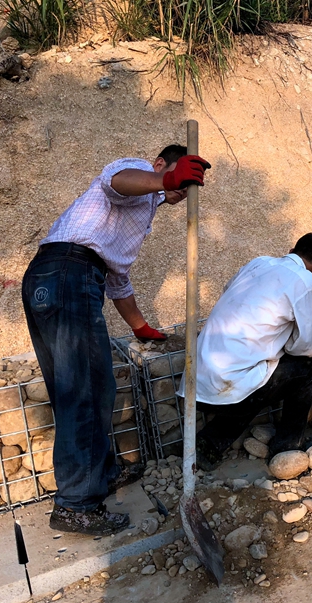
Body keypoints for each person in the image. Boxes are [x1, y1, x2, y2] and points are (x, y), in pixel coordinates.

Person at [22, 146, 211, 535]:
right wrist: (165, 180)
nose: (182, 190)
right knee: (87, 391)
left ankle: (102, 474)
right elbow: (115, 183)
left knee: (80, 388)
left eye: (188, 186)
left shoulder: (142, 212)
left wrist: (141, 326)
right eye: (181, 177)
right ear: (161, 164)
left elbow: (117, 279)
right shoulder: (137, 173)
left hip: (53, 277)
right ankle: (76, 505)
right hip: (70, 274)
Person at [187, 233, 312, 472]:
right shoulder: (306, 281)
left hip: (195, 383)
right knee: (309, 365)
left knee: (256, 371)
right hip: (229, 391)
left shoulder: (258, 263)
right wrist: (285, 346)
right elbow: (309, 347)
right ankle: (286, 446)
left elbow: (228, 290)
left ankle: (208, 445)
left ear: (291, 250)